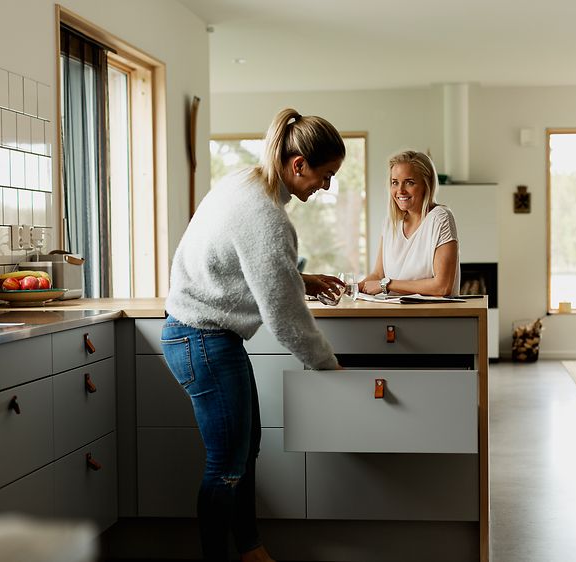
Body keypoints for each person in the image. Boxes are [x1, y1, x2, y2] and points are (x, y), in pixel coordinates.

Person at [161, 108, 345, 562]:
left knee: (243, 455)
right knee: (226, 466)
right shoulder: (265, 215)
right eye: (325, 176)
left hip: (201, 335)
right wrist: (329, 367)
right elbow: (284, 318)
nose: (326, 187)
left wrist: (300, 279)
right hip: (202, 338)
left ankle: (250, 550)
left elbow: (247, 268)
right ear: (298, 164)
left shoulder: (245, 181)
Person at [359, 150, 460, 297]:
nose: (400, 190)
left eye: (409, 182)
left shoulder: (440, 218)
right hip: (396, 315)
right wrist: (352, 288)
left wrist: (386, 285)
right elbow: (378, 274)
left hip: (434, 318)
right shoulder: (389, 223)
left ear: (427, 184)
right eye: (395, 182)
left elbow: (442, 287)